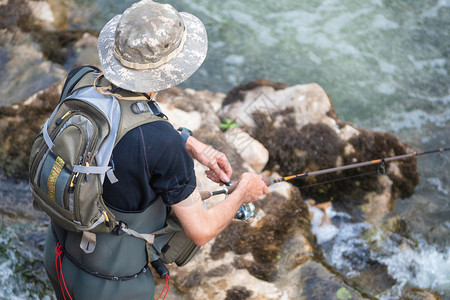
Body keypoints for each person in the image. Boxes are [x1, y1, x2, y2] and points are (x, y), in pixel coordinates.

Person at [43, 1, 269, 299]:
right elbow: (200, 230)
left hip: (58, 255)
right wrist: (244, 192)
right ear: (169, 68)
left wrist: (189, 140)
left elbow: (119, 122)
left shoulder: (80, 78)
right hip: (113, 288)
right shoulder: (161, 143)